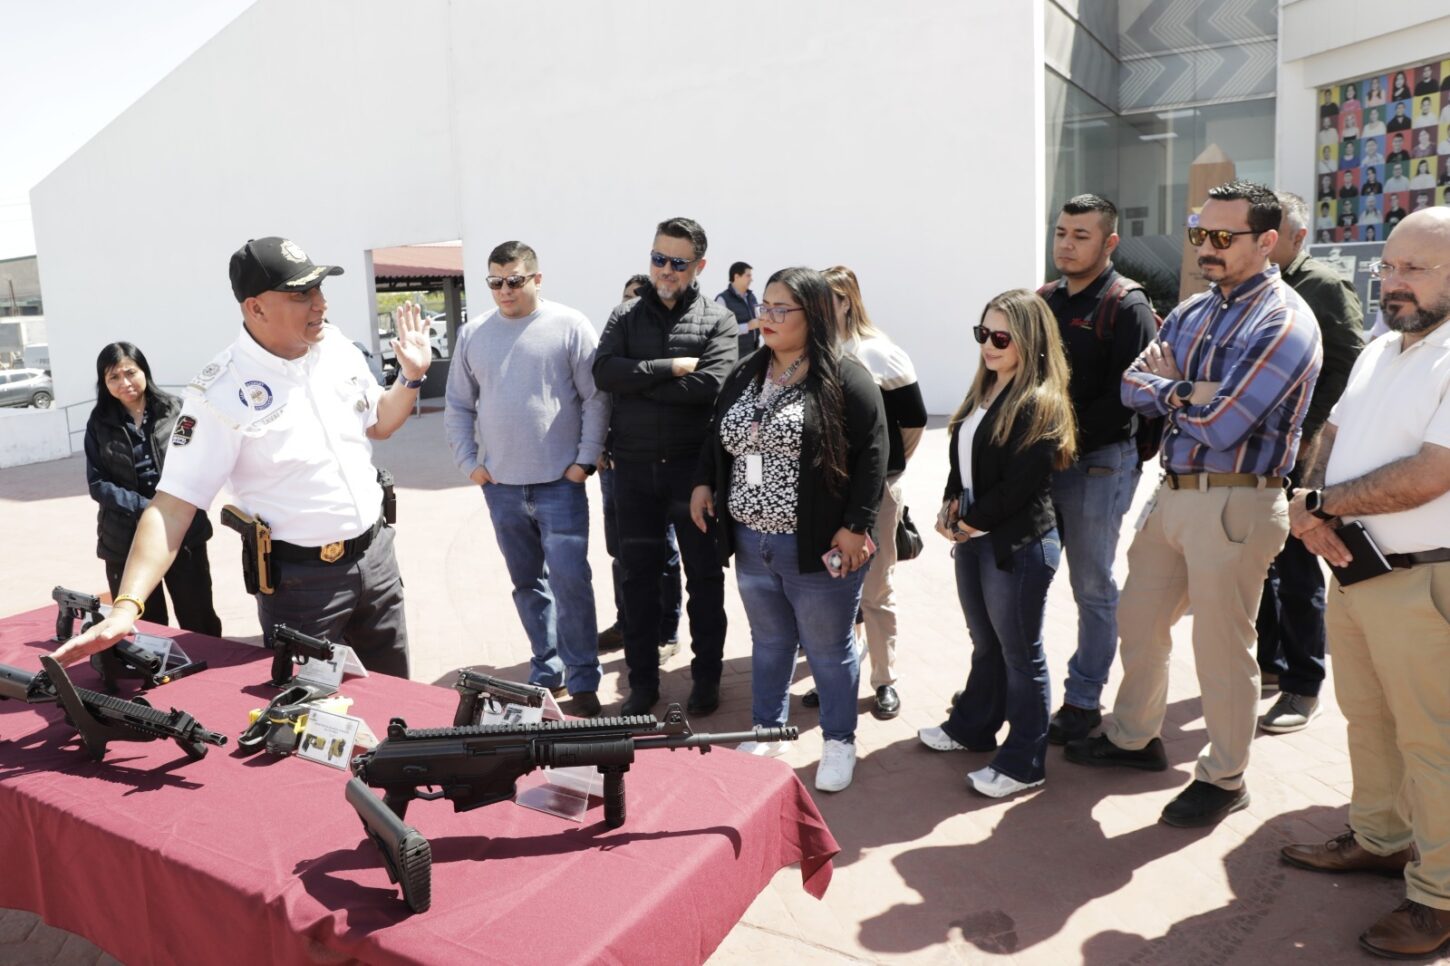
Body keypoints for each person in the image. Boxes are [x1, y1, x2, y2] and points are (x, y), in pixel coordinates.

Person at [1063, 182, 1322, 828]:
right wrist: (1190, 391)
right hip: (1174, 494)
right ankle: (1133, 737)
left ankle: (1225, 777)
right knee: (1138, 620)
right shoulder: (1191, 311)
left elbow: (1226, 424)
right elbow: (1130, 386)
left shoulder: (1284, 322)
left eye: (1223, 236)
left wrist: (1171, 388)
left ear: (1267, 241)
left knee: (1222, 648)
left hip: (1237, 501)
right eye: (1199, 233)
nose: (1207, 246)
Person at [56, 237, 428, 676]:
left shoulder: (337, 347)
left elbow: (380, 422)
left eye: (319, 289)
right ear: (255, 308)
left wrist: (410, 377)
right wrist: (126, 606)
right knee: (314, 708)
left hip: (378, 560)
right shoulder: (218, 393)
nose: (320, 304)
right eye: (301, 294)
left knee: (398, 695)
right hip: (303, 586)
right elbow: (172, 506)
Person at [1279, 207, 1450, 960]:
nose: (1394, 282)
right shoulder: (1382, 347)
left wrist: (1323, 505)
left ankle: (1438, 897)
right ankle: (1381, 839)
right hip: (1356, 569)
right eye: (1389, 267)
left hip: (1424, 580)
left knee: (1434, 744)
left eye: (1416, 268)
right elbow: (1334, 433)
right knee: (1368, 720)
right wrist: (1306, 502)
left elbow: (1432, 474)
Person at [690, 266, 887, 792]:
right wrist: (705, 482)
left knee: (828, 649)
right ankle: (768, 730)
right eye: (765, 307)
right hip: (751, 539)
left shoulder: (845, 377)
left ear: (814, 314)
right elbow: (718, 434)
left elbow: (873, 455)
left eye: (782, 309)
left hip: (816, 543)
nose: (767, 317)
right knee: (771, 641)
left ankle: (839, 741)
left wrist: (856, 526)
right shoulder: (747, 370)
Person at [916, 289, 1077, 798]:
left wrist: (969, 523)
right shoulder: (984, 391)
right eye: (982, 333)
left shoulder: (1040, 402)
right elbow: (963, 462)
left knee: (1021, 655)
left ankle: (1025, 761)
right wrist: (950, 506)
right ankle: (973, 727)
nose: (988, 344)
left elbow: (1019, 486)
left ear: (1029, 340)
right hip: (978, 537)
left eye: (1001, 337)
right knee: (987, 643)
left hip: (1017, 545)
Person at [443, 240, 607, 716]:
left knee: (571, 581)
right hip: (501, 488)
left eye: (514, 280)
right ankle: (547, 667)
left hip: (561, 484)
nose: (504, 290)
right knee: (527, 583)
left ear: (537, 278)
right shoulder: (474, 334)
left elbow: (596, 398)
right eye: (495, 282)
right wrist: (469, 463)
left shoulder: (569, 325)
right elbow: (457, 404)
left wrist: (585, 460)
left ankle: (583, 677)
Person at [594, 217, 739, 715]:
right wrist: (670, 368)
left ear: (699, 265)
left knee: (704, 580)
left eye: (678, 262)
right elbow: (603, 371)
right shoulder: (625, 315)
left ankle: (706, 679)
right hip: (633, 473)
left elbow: (712, 385)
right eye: (658, 258)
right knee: (637, 581)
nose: (666, 270)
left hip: (693, 474)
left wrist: (638, 383)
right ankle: (643, 685)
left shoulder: (718, 320)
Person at [1036, 195, 1157, 743]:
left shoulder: (1126, 305)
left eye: (1080, 236)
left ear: (1109, 243)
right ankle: (1020, 687)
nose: (1066, 244)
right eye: (1061, 232)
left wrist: (1062, 443)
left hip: (1098, 466)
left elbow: (1128, 399)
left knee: (1091, 585)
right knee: (1026, 579)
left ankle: (1083, 700)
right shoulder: (1044, 300)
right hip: (1042, 465)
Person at [1255, 194, 1365, 734]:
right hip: (1253, 451)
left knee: (1298, 568)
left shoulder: (1322, 286)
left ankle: (1303, 685)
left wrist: (1309, 428)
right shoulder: (1249, 287)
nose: (1263, 239)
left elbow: (1351, 363)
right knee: (1261, 562)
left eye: (1273, 229)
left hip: (1301, 453)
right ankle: (1271, 665)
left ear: (1298, 237)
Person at [804, 264, 928, 720]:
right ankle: (836, 676)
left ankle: (884, 680)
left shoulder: (879, 353)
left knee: (876, 589)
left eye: (826, 299)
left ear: (846, 301)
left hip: (875, 495)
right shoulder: (811, 352)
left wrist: (888, 472)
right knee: (832, 592)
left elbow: (913, 421)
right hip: (825, 494)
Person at [84, 342, 222, 637]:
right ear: (104, 383)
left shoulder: (176, 411)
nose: (124, 383)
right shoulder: (99, 423)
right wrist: (148, 509)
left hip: (182, 534)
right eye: (113, 377)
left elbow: (200, 460)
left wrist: (172, 509)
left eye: (130, 373)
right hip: (123, 539)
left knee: (198, 617)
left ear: (144, 371)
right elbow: (98, 484)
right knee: (145, 627)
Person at [596, 273, 683, 662]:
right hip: (614, 467)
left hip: (654, 466)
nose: (632, 306)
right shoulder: (611, 345)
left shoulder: (664, 346)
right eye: (627, 298)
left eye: (639, 299)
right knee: (621, 550)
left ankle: (667, 631)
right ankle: (627, 621)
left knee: (663, 551)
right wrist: (599, 448)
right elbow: (598, 398)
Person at [715, 262, 761, 357]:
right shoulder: (722, 299)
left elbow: (758, 320)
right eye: (748, 276)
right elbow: (719, 331)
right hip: (733, 357)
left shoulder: (752, 297)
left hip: (753, 354)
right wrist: (747, 326)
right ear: (736, 277)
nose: (751, 279)